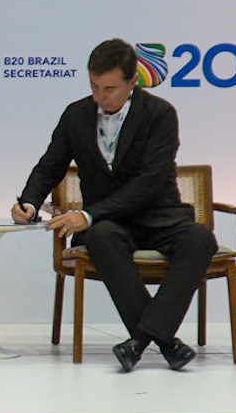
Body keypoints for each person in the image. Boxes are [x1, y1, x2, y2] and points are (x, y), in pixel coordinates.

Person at [12, 38, 216, 373]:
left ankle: (140, 341)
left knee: (201, 239)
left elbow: (150, 180)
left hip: (158, 216)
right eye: (94, 87)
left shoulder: (160, 114)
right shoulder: (76, 115)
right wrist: (29, 203)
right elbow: (50, 166)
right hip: (110, 225)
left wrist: (88, 214)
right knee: (101, 237)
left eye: (109, 89)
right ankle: (165, 342)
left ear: (133, 81)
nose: (99, 97)